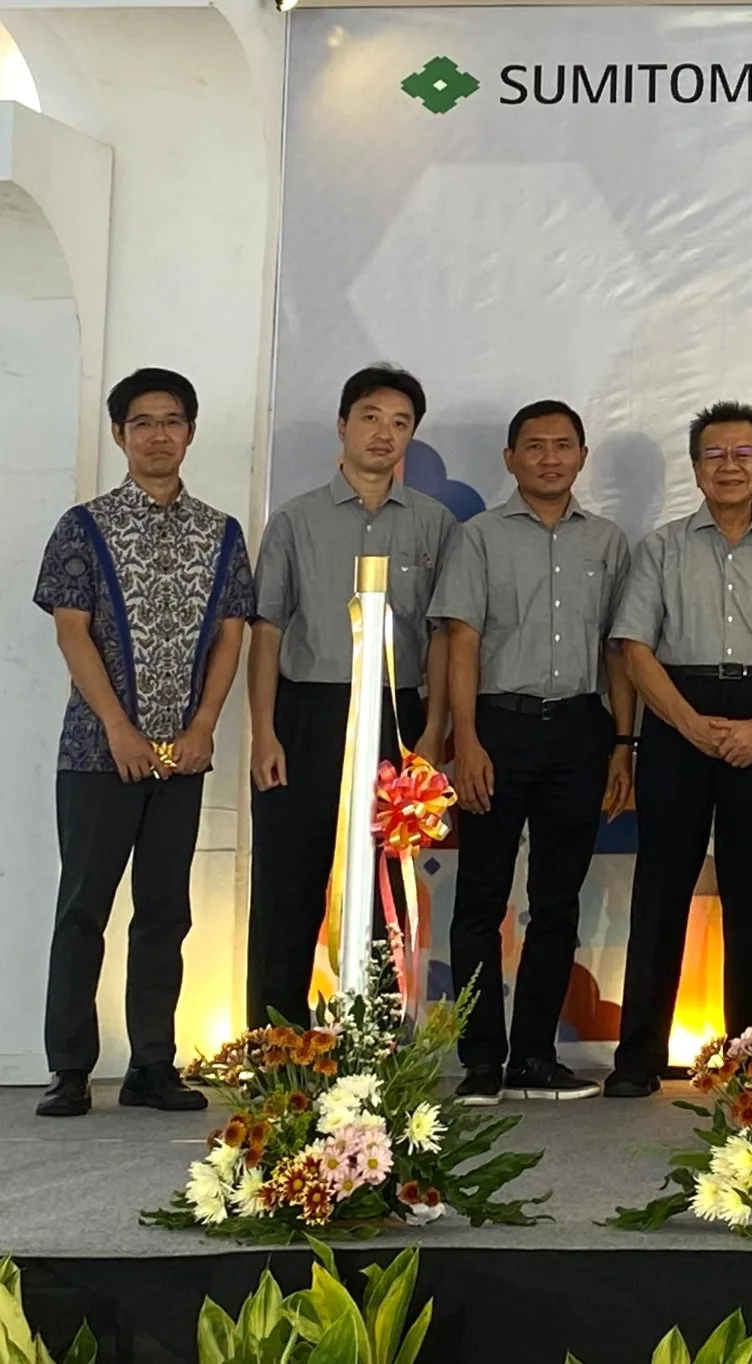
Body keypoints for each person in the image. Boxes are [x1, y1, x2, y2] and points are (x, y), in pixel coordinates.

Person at [31, 369, 255, 1117]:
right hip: (99, 756)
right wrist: (120, 730)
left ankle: (151, 1066)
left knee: (165, 911)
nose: (158, 435)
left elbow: (232, 637)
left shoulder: (220, 532)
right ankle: (68, 1068)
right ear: (121, 435)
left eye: (171, 421)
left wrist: (202, 729)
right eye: (142, 423)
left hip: (183, 757)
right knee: (83, 908)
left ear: (191, 431)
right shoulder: (83, 526)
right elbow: (72, 631)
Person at [606, 401, 752, 1098]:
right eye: (715, 456)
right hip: (678, 717)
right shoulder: (661, 550)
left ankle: (750, 1057)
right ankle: (637, 1058)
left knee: (751, 890)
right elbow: (635, 651)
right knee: (661, 890)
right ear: (696, 467)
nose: (729, 467)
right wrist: (690, 726)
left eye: (743, 455)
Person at [430, 400, 635, 1104]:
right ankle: (481, 1059)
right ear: (510, 459)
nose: (550, 457)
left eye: (563, 445)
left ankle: (535, 1057)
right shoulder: (479, 537)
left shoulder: (608, 543)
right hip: (499, 727)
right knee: (481, 898)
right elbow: (462, 642)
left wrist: (621, 744)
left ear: (582, 456)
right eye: (535, 446)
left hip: (580, 732)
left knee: (558, 901)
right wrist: (468, 741)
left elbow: (618, 651)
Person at [247, 365, 454, 1029]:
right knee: (291, 884)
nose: (383, 434)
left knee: (386, 891)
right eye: (370, 417)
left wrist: (431, 737)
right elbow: (268, 630)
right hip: (307, 716)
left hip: (400, 720)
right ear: (343, 425)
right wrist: (264, 733)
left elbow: (444, 636)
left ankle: (379, 1053)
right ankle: (276, 1049)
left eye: (400, 423)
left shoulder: (435, 525)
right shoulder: (296, 520)